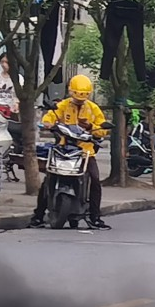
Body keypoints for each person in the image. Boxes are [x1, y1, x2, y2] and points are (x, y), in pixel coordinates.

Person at [29, 73, 111, 230]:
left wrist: (91, 127)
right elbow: (49, 118)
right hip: (63, 148)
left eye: (82, 98)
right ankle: (38, 216)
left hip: (85, 152)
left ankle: (95, 217)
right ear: (70, 92)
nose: (79, 101)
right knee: (48, 179)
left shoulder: (93, 108)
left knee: (95, 180)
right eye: (77, 97)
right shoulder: (63, 105)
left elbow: (102, 129)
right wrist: (48, 124)